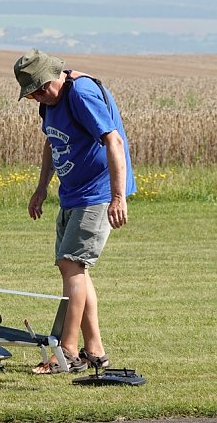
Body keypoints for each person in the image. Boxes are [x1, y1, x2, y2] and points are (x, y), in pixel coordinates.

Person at [13, 48, 136, 374]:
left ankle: (66, 351)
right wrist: (41, 188)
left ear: (55, 75)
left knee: (71, 265)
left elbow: (114, 141)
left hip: (97, 193)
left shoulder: (81, 93)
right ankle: (94, 352)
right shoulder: (49, 102)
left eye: (41, 88)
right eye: (32, 93)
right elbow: (53, 142)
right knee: (75, 271)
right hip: (71, 195)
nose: (38, 96)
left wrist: (118, 197)